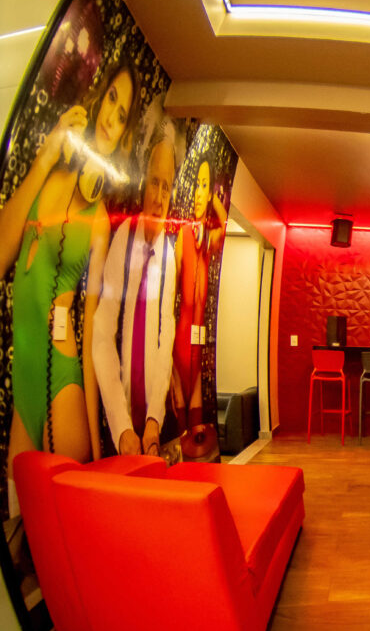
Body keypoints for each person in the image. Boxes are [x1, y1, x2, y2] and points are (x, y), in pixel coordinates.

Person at [0, 62, 140, 473]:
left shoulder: (99, 223)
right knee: (20, 504)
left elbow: (93, 330)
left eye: (122, 116)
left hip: (59, 376)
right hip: (24, 375)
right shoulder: (45, 176)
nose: (110, 119)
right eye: (111, 99)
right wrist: (46, 156)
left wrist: (98, 446)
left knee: (61, 502)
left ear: (123, 134)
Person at [93, 118, 180, 457]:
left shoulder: (168, 255)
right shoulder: (123, 240)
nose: (159, 198)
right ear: (143, 184)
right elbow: (103, 331)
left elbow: (165, 337)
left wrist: (154, 419)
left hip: (154, 422)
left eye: (166, 187)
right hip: (120, 421)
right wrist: (122, 427)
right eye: (154, 183)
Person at [171, 153, 227, 459]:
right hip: (180, 340)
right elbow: (171, 295)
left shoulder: (207, 243)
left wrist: (213, 196)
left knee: (197, 430)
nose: (198, 192)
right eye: (197, 184)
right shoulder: (183, 235)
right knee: (181, 423)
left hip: (198, 342)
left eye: (204, 185)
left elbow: (224, 223)